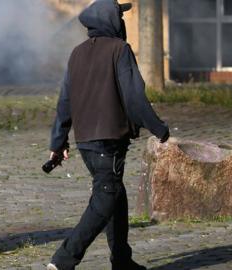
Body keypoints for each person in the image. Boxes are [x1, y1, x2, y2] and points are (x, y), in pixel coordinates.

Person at [46, 1, 170, 270]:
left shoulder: (77, 53)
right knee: (105, 196)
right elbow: (134, 96)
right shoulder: (120, 49)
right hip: (108, 140)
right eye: (120, 15)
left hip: (86, 141)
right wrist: (158, 128)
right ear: (112, 20)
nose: (123, 20)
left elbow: (64, 101)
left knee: (115, 194)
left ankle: (122, 260)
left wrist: (58, 141)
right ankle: (62, 260)